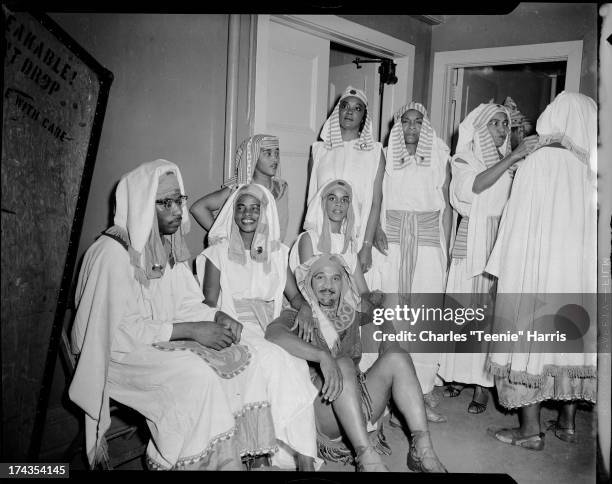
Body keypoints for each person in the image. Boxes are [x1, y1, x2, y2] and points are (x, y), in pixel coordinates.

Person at [68, 160, 278, 470]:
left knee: (245, 353)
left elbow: (188, 304)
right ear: (141, 203)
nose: (178, 210)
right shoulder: (111, 254)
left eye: (179, 200)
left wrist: (216, 318)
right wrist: (191, 331)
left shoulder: (166, 245)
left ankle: (250, 457)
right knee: (198, 377)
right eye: (165, 202)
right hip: (115, 357)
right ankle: (186, 460)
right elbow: (115, 334)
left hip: (155, 343)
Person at [485, 91, 597, 450]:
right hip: (574, 278)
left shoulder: (537, 162)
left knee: (529, 342)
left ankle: (530, 432)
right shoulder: (589, 170)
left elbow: (516, 225)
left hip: (535, 274)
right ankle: (567, 423)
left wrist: (504, 270)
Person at [266, 253, 448, 473]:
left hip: (360, 404)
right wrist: (322, 357)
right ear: (309, 283)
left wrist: (388, 330)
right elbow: (273, 335)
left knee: (398, 357)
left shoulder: (349, 310)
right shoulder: (299, 314)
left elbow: (377, 311)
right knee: (342, 364)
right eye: (320, 278)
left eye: (335, 278)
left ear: (343, 283)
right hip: (323, 410)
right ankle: (367, 460)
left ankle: (422, 450)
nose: (328, 285)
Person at [197, 183, 320, 470]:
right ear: (233, 213)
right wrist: (220, 322)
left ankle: (291, 453)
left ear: (265, 213)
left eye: (255, 208)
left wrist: (303, 309)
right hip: (237, 329)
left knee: (297, 363)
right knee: (276, 359)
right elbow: (208, 303)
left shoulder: (277, 253)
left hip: (272, 326)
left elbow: (296, 296)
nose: (248, 214)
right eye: (241, 207)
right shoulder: (218, 253)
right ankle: (301, 458)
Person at [439, 102, 539, 414]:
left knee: (489, 316)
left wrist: (520, 156)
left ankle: (482, 385)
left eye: (503, 124)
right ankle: (457, 374)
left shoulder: (513, 162)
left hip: (500, 240)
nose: (500, 130)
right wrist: (513, 155)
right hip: (472, 241)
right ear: (481, 127)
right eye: (494, 123)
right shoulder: (464, 157)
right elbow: (473, 187)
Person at [371, 101, 452, 423]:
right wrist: (375, 229)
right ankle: (392, 392)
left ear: (426, 126)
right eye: (406, 122)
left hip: (428, 242)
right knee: (392, 313)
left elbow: (446, 209)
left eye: (418, 122)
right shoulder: (386, 155)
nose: (412, 128)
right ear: (398, 125)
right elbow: (376, 196)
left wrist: (444, 253)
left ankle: (420, 390)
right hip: (392, 240)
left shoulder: (440, 155)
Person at [307, 86, 387, 276]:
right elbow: (312, 197)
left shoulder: (374, 153)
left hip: (358, 239)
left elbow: (376, 202)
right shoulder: (319, 150)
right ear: (338, 111)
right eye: (345, 106)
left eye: (357, 108)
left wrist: (366, 246)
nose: (350, 111)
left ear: (364, 116)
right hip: (323, 236)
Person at [190, 134, 289, 242]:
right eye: (268, 153)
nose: (275, 158)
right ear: (253, 157)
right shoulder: (240, 189)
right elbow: (198, 208)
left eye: (277, 153)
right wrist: (223, 235)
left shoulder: (281, 188)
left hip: (273, 253)